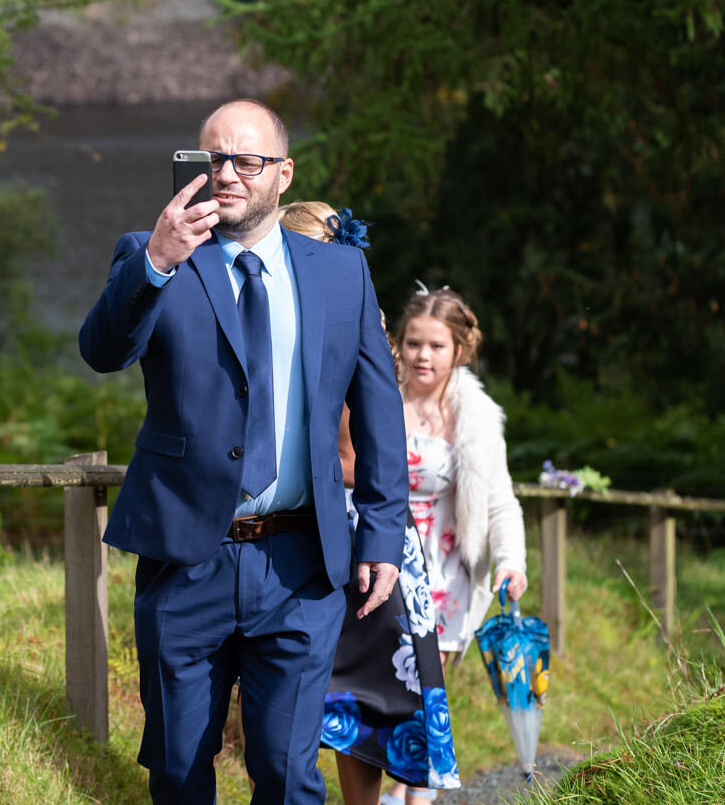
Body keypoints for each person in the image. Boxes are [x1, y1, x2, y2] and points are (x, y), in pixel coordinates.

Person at [79, 100, 409, 805]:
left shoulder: (340, 273)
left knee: (289, 776)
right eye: (212, 159)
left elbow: (379, 408)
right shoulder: (152, 253)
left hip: (300, 566)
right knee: (177, 771)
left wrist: (381, 529)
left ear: (282, 174)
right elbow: (101, 350)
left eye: (247, 160)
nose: (227, 174)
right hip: (184, 560)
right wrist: (159, 262)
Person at [278, 204, 461, 805]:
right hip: (354, 531)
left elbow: (361, 456)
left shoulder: (346, 337)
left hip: (360, 532)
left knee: (366, 700)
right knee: (351, 702)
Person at [374, 285, 527, 805]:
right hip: (380, 558)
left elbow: (501, 502)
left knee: (423, 688)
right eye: (413, 342)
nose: (422, 355)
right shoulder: (376, 395)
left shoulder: (478, 419)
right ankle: (397, 783)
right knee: (385, 687)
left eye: (436, 346)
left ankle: (415, 793)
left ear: (459, 350)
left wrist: (511, 563)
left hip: (444, 576)